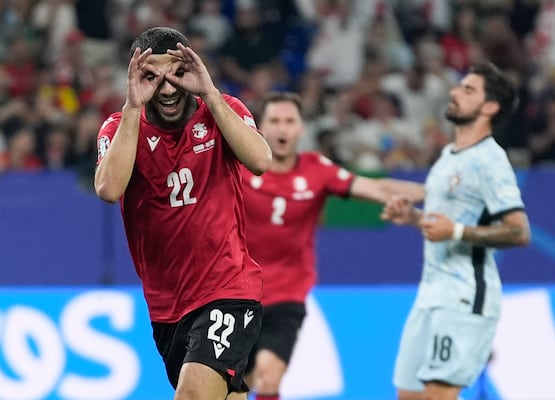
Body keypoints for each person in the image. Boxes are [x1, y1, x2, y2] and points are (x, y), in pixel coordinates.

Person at [94, 27, 272, 400]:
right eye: (151, 77)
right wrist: (132, 106)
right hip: (167, 308)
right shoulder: (120, 126)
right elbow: (109, 189)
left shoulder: (223, 110)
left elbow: (260, 160)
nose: (169, 88)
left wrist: (209, 92)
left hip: (228, 290)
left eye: (176, 73)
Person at [240, 91, 424, 400]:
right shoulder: (239, 167)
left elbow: (378, 188)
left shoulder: (316, 169)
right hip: (238, 292)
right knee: (234, 385)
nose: (282, 129)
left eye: (289, 121)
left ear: (301, 129)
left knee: (269, 375)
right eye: (274, 121)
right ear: (261, 128)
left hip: (287, 294)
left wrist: (436, 189)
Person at [381, 62, 531, 400]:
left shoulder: (490, 161)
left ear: (490, 107)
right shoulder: (449, 156)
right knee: (409, 395)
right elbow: (444, 222)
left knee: (438, 395)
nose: (454, 92)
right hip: (430, 294)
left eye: (468, 90)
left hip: (465, 296)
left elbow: (518, 231)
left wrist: (458, 232)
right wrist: (414, 219)